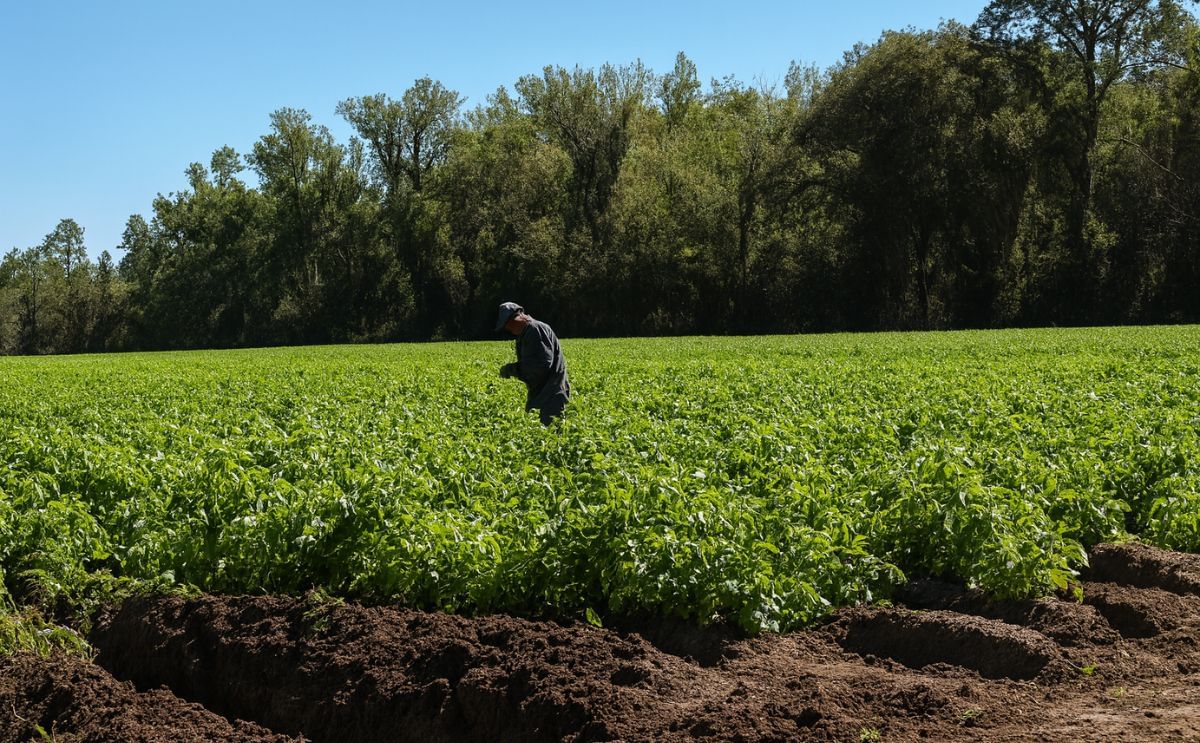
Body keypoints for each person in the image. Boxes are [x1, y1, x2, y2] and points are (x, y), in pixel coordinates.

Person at [495, 302, 570, 425]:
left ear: (516, 319)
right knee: (536, 435)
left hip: (550, 397)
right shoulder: (528, 332)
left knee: (549, 437)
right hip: (541, 394)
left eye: (507, 326)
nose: (508, 330)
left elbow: (540, 366)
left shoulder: (535, 330)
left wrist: (512, 369)